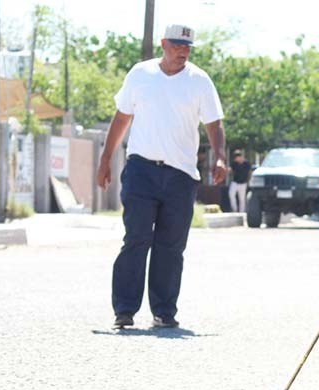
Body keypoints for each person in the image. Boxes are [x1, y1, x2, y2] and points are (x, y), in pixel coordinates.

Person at [97, 24, 226, 330]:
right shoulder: (140, 74)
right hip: (141, 170)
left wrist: (220, 156)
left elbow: (214, 123)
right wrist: (105, 158)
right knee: (136, 238)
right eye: (177, 45)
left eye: (187, 47)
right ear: (164, 44)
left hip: (181, 175)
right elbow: (122, 117)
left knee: (170, 245)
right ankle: (124, 310)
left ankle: (164, 311)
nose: (183, 51)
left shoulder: (199, 81)